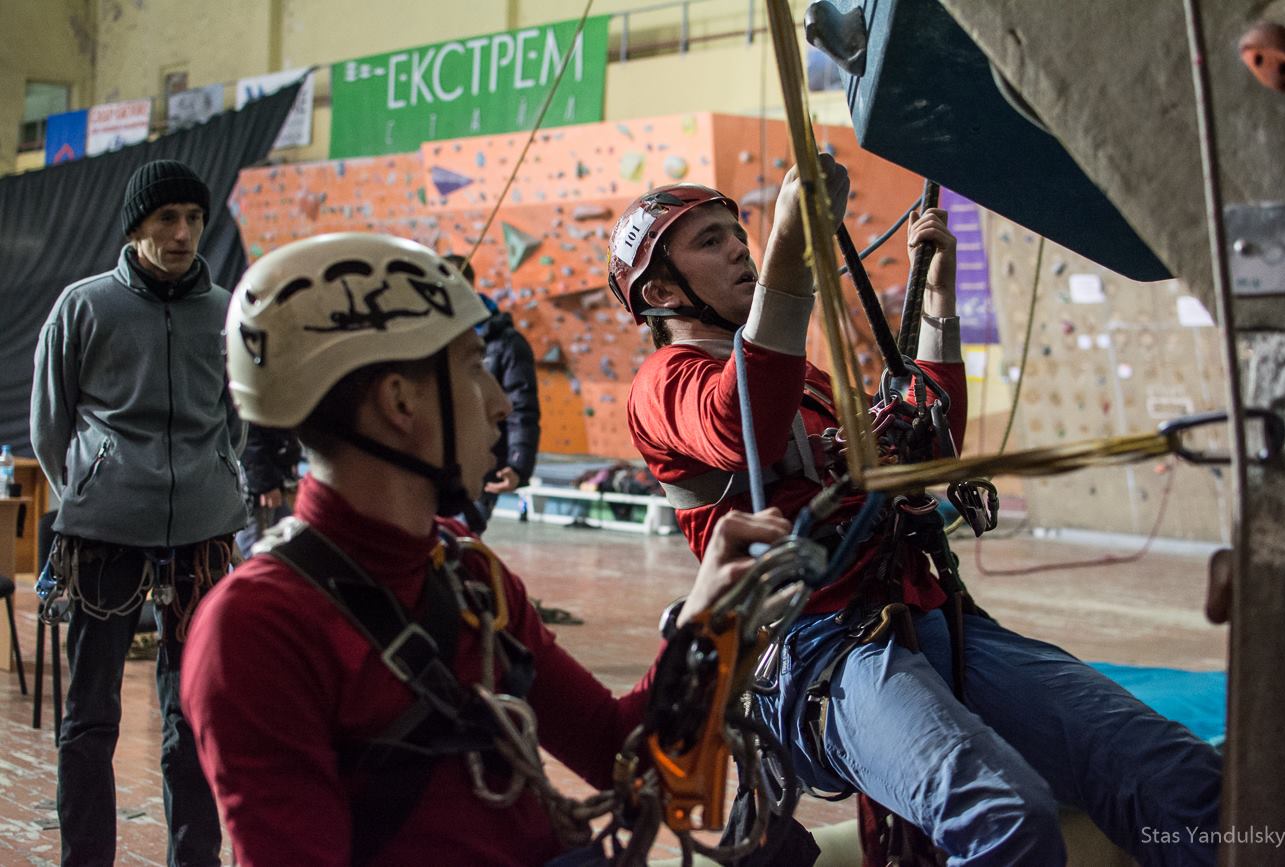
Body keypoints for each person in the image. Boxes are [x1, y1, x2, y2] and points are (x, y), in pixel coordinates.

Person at [611, 157, 1222, 866]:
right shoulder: (664, 384)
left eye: (736, 233)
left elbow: (928, 436)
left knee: (1167, 767)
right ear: (662, 291)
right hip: (821, 651)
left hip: (921, 613)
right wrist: (790, 250)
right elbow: (743, 423)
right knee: (1003, 813)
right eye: (709, 242)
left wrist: (939, 301)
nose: (737, 248)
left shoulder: (802, 376)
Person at [180, 232, 787, 865]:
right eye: (474, 368)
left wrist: (706, 615)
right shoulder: (257, 631)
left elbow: (614, 750)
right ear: (399, 402)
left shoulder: (462, 570)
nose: (501, 405)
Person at [30, 158, 246, 867]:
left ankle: (196, 858)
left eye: (194, 219)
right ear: (136, 226)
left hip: (203, 537)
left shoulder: (225, 311)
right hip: (103, 536)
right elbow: (49, 426)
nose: (184, 233)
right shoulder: (84, 306)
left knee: (193, 713)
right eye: (167, 220)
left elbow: (234, 418)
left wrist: (211, 475)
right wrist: (97, 484)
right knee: (90, 717)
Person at [444, 254, 540, 527]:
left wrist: (518, 466)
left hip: (483, 461)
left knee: (458, 540)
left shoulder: (506, 343)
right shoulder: (429, 339)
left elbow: (521, 408)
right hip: (435, 463)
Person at [234, 424, 302, 558]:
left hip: (274, 479)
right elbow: (251, 446)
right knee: (251, 546)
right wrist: (266, 486)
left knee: (287, 539)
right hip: (257, 489)